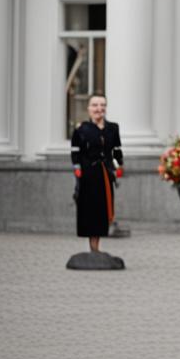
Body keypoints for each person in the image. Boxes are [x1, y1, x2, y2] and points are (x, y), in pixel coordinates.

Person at [70, 94, 123, 252]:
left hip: (105, 174)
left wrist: (119, 166)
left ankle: (97, 246)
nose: (99, 109)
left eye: (102, 105)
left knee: (103, 210)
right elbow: (75, 153)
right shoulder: (81, 130)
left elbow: (117, 150)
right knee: (89, 210)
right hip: (88, 175)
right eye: (95, 105)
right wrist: (77, 169)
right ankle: (93, 249)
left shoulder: (113, 128)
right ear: (88, 109)